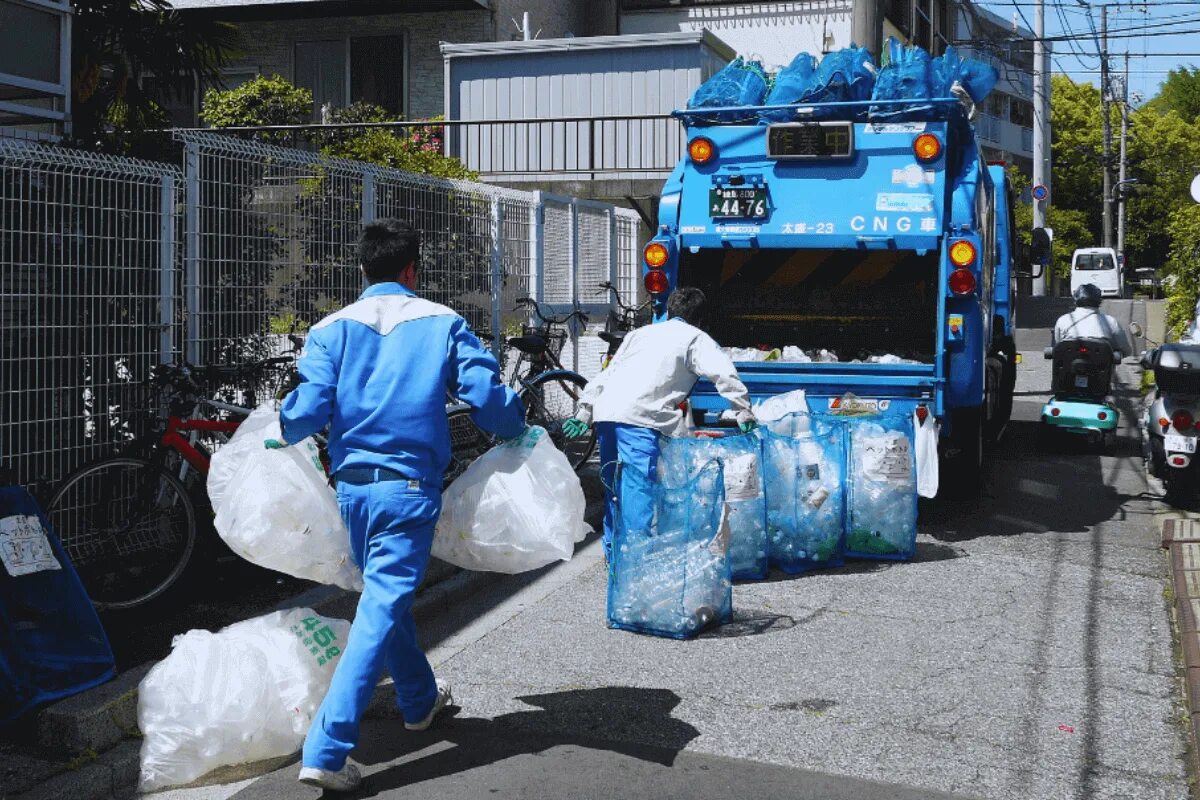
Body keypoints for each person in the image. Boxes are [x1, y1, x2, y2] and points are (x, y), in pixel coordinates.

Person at [266, 219, 525, 792]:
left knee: (385, 597)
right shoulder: (442, 322)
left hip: (352, 490)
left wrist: (276, 426)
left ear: (363, 268)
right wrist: (517, 427)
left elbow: (305, 412)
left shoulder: (330, 329)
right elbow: (488, 400)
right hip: (408, 488)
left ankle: (418, 701)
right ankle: (328, 749)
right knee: (382, 605)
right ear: (412, 269)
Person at [561, 286, 755, 559]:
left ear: (668, 311)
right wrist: (743, 410)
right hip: (641, 418)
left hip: (606, 414)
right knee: (637, 488)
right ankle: (635, 562)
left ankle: (615, 555)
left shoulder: (639, 334)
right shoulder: (695, 338)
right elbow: (723, 373)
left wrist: (585, 410)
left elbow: (609, 372)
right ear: (700, 319)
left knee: (614, 487)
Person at [1054, 283, 1135, 357]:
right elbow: (1124, 348)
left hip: (1068, 369)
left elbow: (1058, 344)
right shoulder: (1110, 322)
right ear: (1099, 302)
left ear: (1075, 301)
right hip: (1102, 370)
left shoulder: (1063, 320)